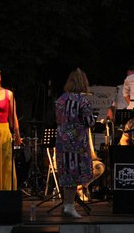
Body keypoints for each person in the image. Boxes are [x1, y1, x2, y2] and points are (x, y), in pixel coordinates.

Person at [55, 68, 97, 218]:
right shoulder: (82, 100)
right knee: (74, 172)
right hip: (76, 142)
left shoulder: (61, 99)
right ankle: (70, 205)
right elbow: (89, 122)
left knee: (65, 171)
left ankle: (67, 203)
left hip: (61, 140)